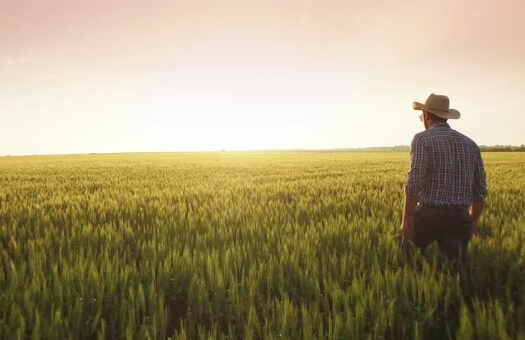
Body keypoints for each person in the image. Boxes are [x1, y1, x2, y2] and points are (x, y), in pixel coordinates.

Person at [400, 93, 487, 262]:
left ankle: (412, 280)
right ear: (445, 117)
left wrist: (406, 220)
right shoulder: (471, 144)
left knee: (409, 257)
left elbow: (414, 182)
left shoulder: (422, 139)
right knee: (457, 271)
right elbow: (480, 191)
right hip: (460, 218)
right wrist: (472, 221)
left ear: (426, 115)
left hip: (428, 215)